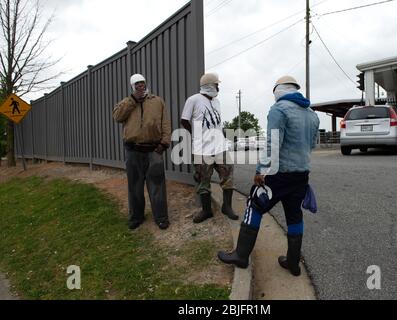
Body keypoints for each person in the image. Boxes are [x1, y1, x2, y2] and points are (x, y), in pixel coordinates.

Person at [218, 76, 320, 276]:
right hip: (301, 175)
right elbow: (312, 145)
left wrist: (260, 171)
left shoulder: (279, 109)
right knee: (294, 215)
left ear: (278, 90)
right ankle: (292, 263)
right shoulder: (312, 115)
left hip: (278, 174)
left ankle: (240, 255)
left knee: (253, 206)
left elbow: (273, 144)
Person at [113, 74, 172, 230]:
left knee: (157, 186)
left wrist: (164, 144)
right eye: (137, 84)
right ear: (132, 86)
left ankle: (161, 217)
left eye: (142, 83)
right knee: (135, 186)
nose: (141, 86)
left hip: (154, 150)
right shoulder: (127, 102)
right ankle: (136, 217)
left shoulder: (157, 101)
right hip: (133, 151)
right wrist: (133, 100)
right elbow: (117, 117)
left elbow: (165, 124)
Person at [181, 73, 239, 224]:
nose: (218, 87)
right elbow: (184, 120)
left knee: (228, 176)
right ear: (210, 85)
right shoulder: (193, 100)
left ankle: (227, 207)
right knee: (202, 180)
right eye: (217, 84)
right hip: (202, 149)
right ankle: (206, 210)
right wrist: (196, 133)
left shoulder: (217, 101)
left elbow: (217, 123)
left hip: (220, 147)